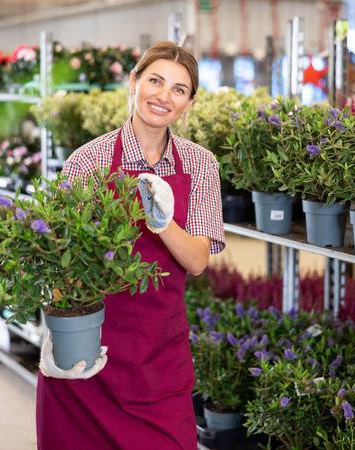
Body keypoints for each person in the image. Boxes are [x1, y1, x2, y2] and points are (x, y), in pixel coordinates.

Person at [36, 41, 225, 450]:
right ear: (133, 82)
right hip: (88, 358)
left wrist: (162, 222)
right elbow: (60, 261)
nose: (163, 96)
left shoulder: (200, 164)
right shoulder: (89, 160)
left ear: (190, 102)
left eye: (178, 89)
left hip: (160, 360)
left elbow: (196, 261)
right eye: (155, 81)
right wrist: (52, 338)